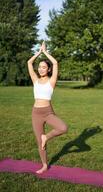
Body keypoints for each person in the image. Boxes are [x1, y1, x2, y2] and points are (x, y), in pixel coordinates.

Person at [27, 41, 68, 174]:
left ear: (48, 69)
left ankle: (47, 137)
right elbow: (29, 63)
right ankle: (44, 165)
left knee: (63, 128)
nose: (40, 69)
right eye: (39, 67)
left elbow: (55, 63)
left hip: (48, 112)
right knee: (40, 142)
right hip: (36, 113)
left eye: (44, 67)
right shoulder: (35, 80)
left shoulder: (52, 81)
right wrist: (38, 52)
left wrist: (45, 52)